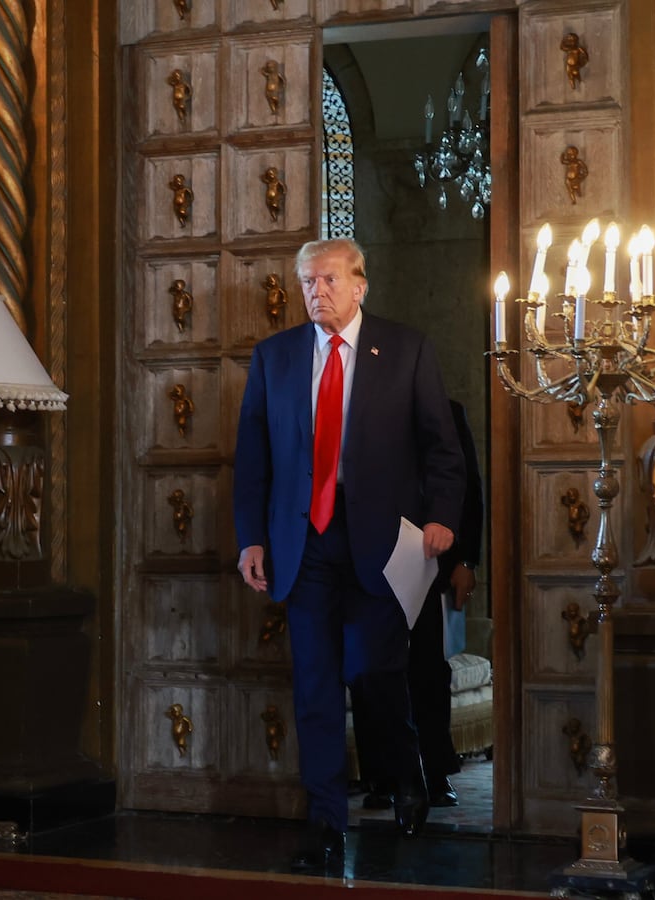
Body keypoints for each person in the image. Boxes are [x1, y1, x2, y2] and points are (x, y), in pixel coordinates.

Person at [233, 238, 466, 873]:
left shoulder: (407, 350)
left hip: (380, 544)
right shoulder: (274, 358)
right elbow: (254, 457)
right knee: (314, 684)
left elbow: (442, 448)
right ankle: (326, 823)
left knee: (373, 671)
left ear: (360, 285)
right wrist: (250, 537)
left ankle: (407, 770)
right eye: (308, 282)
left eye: (329, 280)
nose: (318, 292)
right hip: (302, 545)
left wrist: (443, 519)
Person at [354, 399, 484, 810]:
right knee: (369, 667)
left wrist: (466, 560)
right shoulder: (356, 406)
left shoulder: (448, 411)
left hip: (430, 557)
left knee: (428, 668)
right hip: (367, 554)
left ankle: (436, 770)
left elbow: (469, 487)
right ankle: (380, 777)